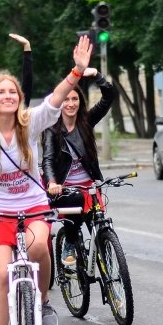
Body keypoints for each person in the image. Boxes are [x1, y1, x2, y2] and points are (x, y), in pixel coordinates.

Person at [0, 33, 92, 325]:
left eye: (12, 92)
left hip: (33, 205)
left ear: (19, 98)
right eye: (0, 91)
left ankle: (45, 301)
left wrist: (77, 71)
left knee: (37, 248)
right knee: (3, 274)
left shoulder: (30, 122)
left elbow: (56, 98)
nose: (7, 96)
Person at [42, 66, 116, 266]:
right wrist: (52, 182)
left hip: (90, 186)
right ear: (59, 102)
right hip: (65, 189)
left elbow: (109, 97)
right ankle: (71, 243)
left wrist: (98, 76)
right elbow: (47, 159)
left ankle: (106, 263)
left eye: (74, 99)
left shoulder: (86, 121)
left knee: (98, 224)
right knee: (74, 210)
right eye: (66, 99)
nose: (70, 103)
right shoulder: (51, 129)